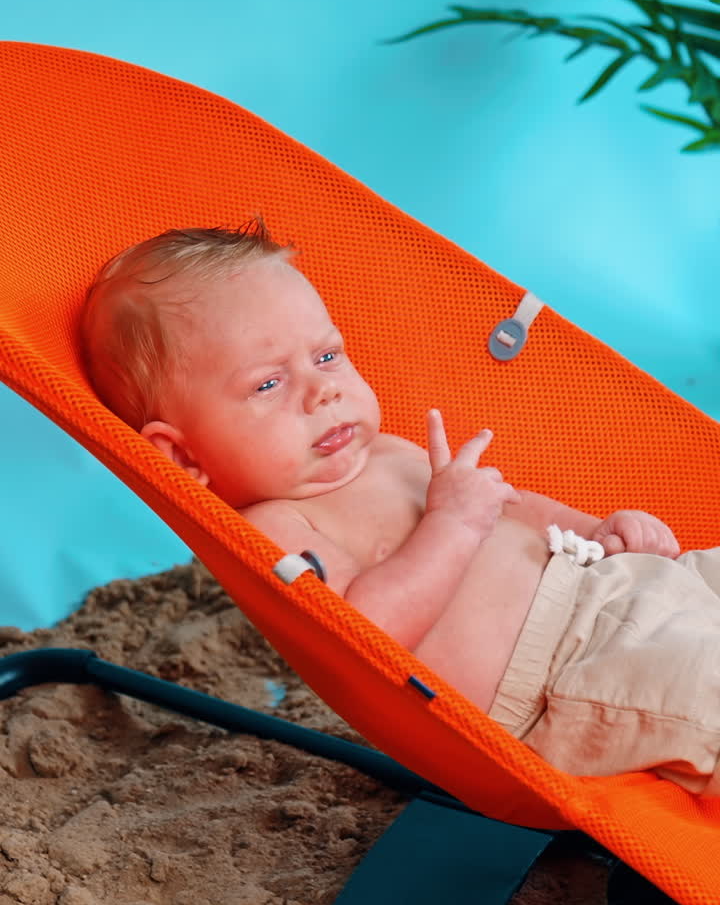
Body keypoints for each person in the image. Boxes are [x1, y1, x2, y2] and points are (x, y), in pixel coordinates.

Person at [80, 225, 720, 797]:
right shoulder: (274, 528)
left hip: (616, 588)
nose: (324, 389)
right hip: (567, 675)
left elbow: (511, 511)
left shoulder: (387, 450)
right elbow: (366, 641)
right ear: (182, 454)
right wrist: (452, 523)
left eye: (327, 355)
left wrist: (600, 532)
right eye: (268, 384)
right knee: (703, 690)